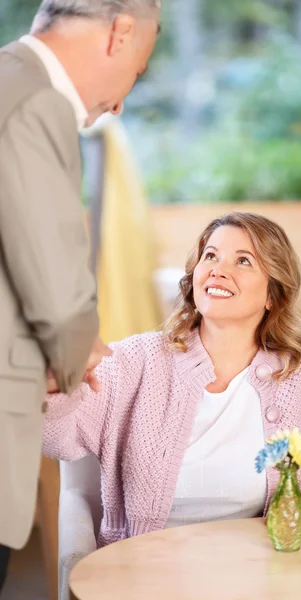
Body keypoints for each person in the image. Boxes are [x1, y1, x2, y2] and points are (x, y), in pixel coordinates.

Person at [43, 212, 301, 548]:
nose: (218, 270)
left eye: (243, 261)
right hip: (146, 572)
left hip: (263, 574)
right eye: (211, 256)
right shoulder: (136, 361)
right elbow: (57, 440)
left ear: (272, 295)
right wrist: (57, 383)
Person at [0, 0, 161, 583]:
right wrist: (78, 354)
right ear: (119, 33)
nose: (119, 103)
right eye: (136, 72)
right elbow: (56, 284)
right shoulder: (37, 102)